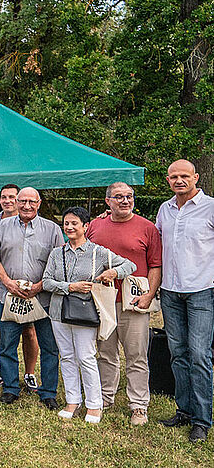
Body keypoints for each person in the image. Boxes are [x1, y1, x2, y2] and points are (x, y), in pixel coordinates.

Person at [42, 206, 135, 424]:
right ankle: (73, 401)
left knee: (86, 356)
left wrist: (113, 272)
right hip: (58, 311)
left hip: (85, 313)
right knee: (66, 356)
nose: (70, 227)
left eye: (75, 223)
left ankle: (94, 404)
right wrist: (70, 287)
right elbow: (46, 282)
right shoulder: (57, 253)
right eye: (66, 223)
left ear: (85, 226)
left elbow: (130, 264)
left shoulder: (98, 252)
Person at [86, 182, 161, 425]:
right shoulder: (96, 226)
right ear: (107, 201)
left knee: (136, 354)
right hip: (103, 300)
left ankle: (138, 405)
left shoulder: (147, 228)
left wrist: (149, 295)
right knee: (106, 353)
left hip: (134, 301)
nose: (125, 201)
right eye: (119, 197)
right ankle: (105, 397)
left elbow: (155, 265)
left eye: (129, 196)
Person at [0, 187, 64, 408]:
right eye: (23, 201)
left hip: (43, 297)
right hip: (10, 295)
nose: (27, 206)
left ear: (39, 203)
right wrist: (8, 283)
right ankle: (10, 388)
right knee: (7, 344)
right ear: (16, 202)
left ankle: (48, 392)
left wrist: (40, 286)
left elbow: (59, 262)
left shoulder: (52, 229)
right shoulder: (1, 228)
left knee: (49, 347)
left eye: (32, 201)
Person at [155, 159, 214, 442]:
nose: (179, 180)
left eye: (184, 176)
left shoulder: (211, 207)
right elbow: (153, 241)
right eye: (173, 176)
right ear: (167, 180)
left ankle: (202, 420)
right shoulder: (164, 210)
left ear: (196, 177)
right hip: (170, 292)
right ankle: (185, 410)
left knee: (200, 354)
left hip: (202, 290)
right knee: (178, 354)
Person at [0, 184, 40, 391]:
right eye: (4, 197)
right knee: (3, 331)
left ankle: (30, 373)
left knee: (30, 331)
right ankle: (5, 371)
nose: (7, 201)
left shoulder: (38, 225)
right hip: (2, 290)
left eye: (12, 197)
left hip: (30, 291)